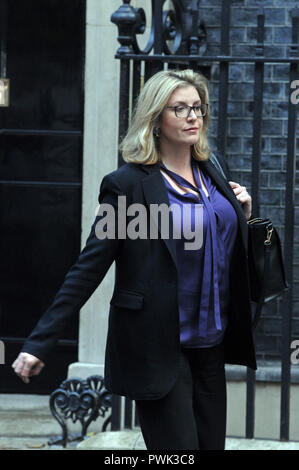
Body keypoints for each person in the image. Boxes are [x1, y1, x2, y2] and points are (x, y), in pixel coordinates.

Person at [12, 69, 256, 450]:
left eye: (198, 107)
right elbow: (89, 266)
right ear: (156, 118)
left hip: (210, 345)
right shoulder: (128, 185)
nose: (193, 117)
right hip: (160, 347)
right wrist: (40, 342)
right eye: (180, 109)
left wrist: (242, 215)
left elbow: (228, 253)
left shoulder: (214, 170)